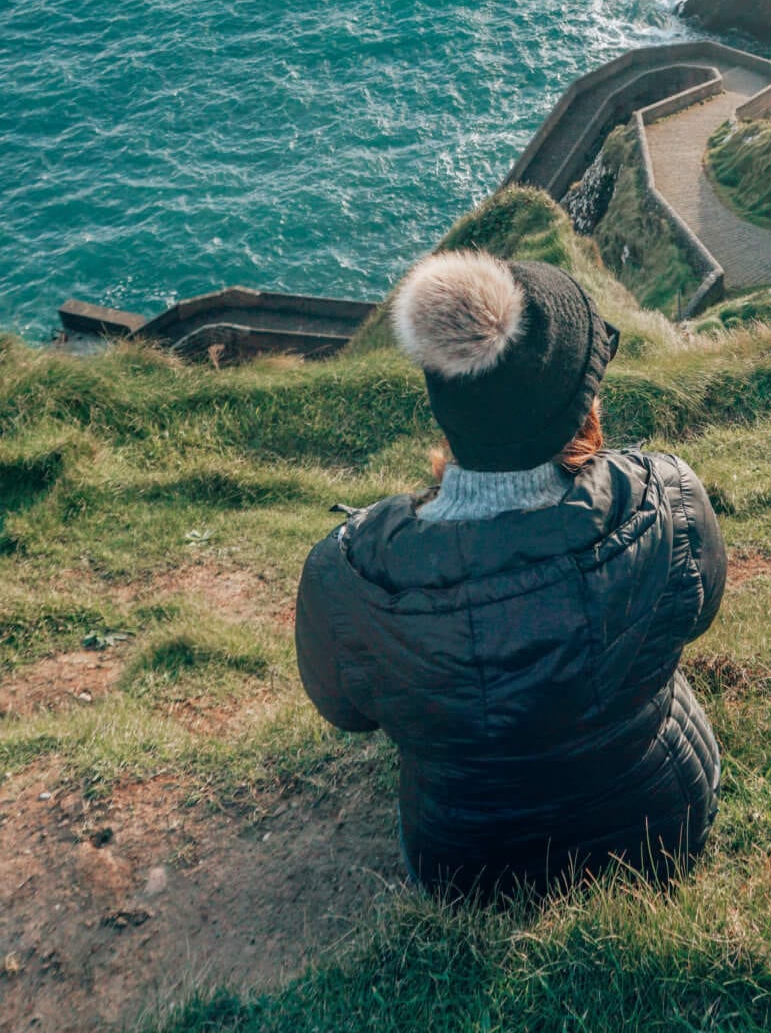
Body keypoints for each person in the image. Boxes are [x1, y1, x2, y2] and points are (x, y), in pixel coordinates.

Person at [294, 247, 726, 895]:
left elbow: (346, 713)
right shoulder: (671, 499)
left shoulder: (348, 576)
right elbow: (702, 611)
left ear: (448, 405)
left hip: (469, 868)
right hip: (660, 825)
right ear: (582, 407)